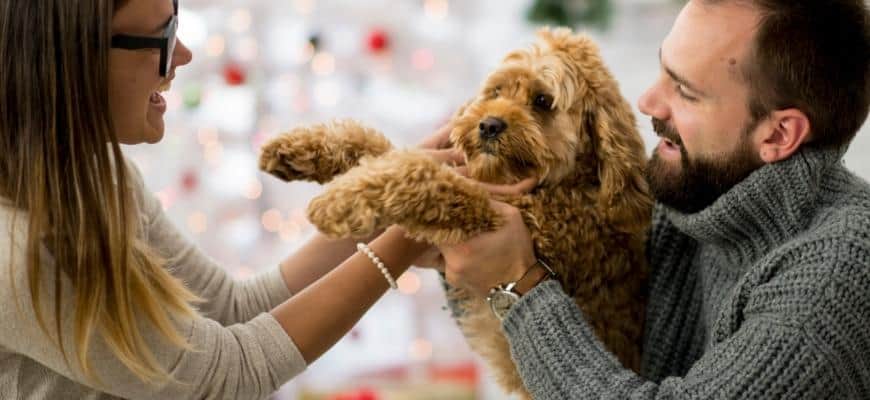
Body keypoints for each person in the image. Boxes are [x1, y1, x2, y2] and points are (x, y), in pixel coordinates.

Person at [0, 0, 505, 398]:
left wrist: (393, 192)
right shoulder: (18, 252)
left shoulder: (99, 178)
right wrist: (405, 232)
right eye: (162, 38)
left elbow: (227, 309)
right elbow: (223, 376)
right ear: (72, 56)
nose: (182, 56)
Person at [438, 0, 870, 398]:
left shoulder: (839, 276)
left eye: (685, 91)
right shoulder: (693, 192)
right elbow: (566, 357)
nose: (648, 102)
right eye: (663, 69)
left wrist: (519, 286)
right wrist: (464, 255)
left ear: (778, 134)